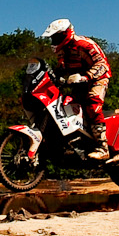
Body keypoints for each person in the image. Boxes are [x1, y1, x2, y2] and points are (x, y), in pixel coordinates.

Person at [45, 18, 112, 160]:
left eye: (56, 37)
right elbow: (61, 68)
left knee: (93, 104)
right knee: (65, 105)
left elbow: (102, 65)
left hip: (97, 78)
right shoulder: (62, 51)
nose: (54, 40)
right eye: (53, 37)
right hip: (77, 82)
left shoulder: (84, 44)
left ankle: (103, 147)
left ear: (66, 33)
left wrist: (86, 76)